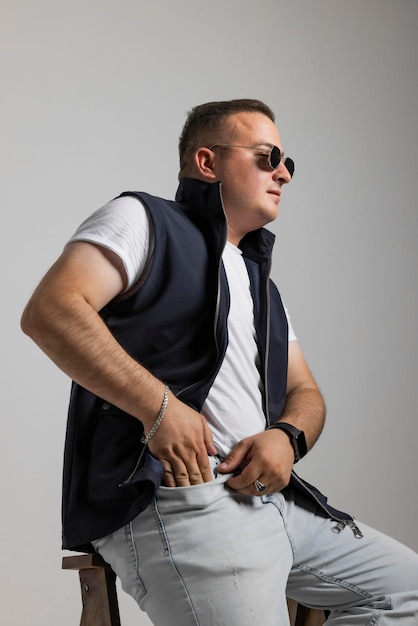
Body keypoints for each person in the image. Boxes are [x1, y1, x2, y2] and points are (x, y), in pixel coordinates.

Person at [21, 99, 418, 625]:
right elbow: (52, 311)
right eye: (266, 155)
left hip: (278, 503)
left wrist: (288, 437)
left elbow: (306, 393)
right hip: (180, 499)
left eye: (288, 162)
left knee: (406, 594)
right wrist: (159, 407)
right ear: (208, 163)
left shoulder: (262, 288)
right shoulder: (144, 219)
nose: (283, 172)